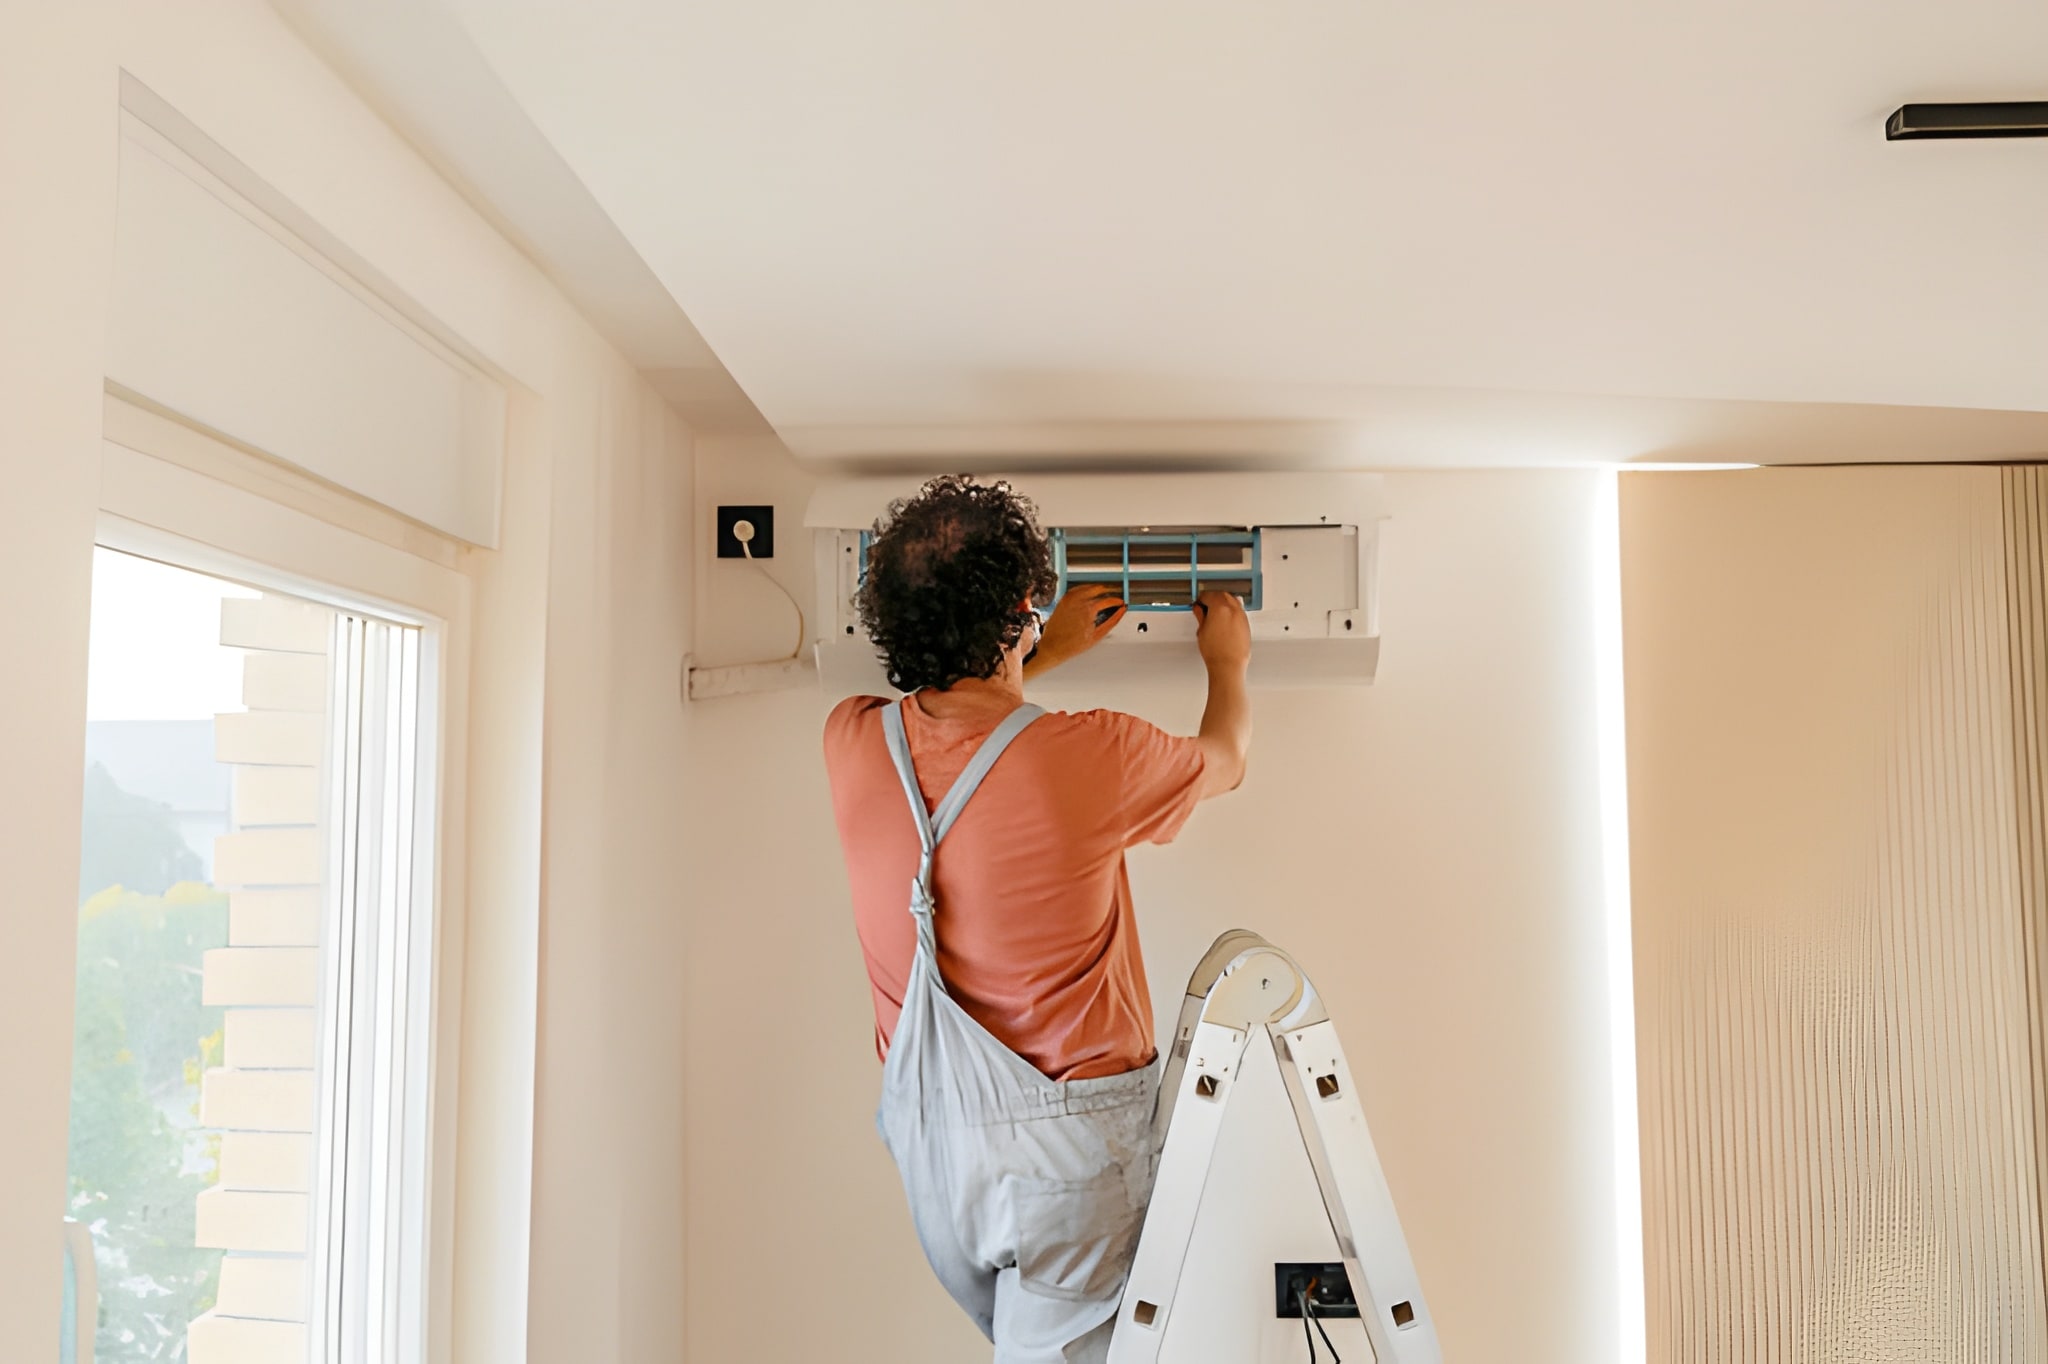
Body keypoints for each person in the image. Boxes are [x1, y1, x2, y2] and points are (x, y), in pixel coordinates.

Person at [822, 475, 1253, 1363]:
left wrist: (1032, 652)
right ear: (1022, 607)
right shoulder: (1089, 757)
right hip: (1070, 1160)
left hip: (936, 1158)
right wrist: (1228, 663)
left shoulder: (852, 742)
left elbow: (955, 729)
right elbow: (1226, 760)